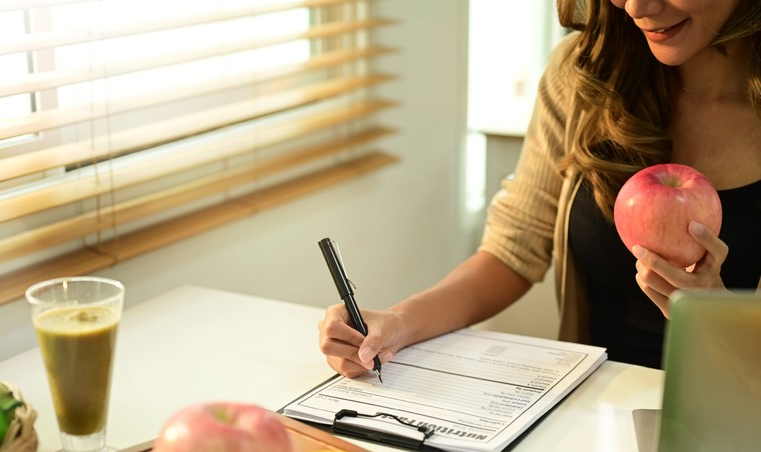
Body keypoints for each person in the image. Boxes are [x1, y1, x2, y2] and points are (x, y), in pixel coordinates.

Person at [319, 0, 761, 373]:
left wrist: (717, 316)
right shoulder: (585, 75)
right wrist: (396, 323)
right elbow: (514, 249)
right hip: (593, 408)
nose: (636, 7)